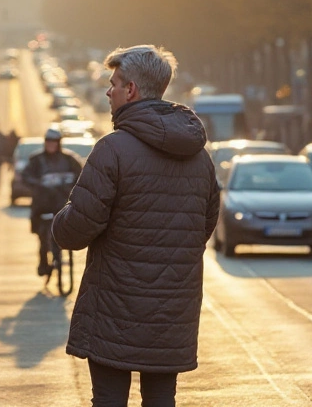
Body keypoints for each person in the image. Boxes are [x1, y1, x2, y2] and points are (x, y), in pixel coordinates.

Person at [52, 45, 219, 407]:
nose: (108, 92)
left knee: (109, 399)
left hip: (114, 311)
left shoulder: (113, 150)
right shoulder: (199, 157)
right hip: (172, 314)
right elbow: (205, 225)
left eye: (113, 84)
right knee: (161, 399)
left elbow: (75, 230)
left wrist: (60, 218)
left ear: (131, 90)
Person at [22, 127, 82, 278]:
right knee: (43, 237)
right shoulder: (36, 160)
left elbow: (81, 175)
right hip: (42, 205)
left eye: (54, 141)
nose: (51, 144)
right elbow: (26, 176)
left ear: (59, 143)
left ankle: (60, 256)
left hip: (62, 204)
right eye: (48, 141)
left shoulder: (69, 159)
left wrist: (70, 185)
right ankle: (43, 263)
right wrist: (39, 183)